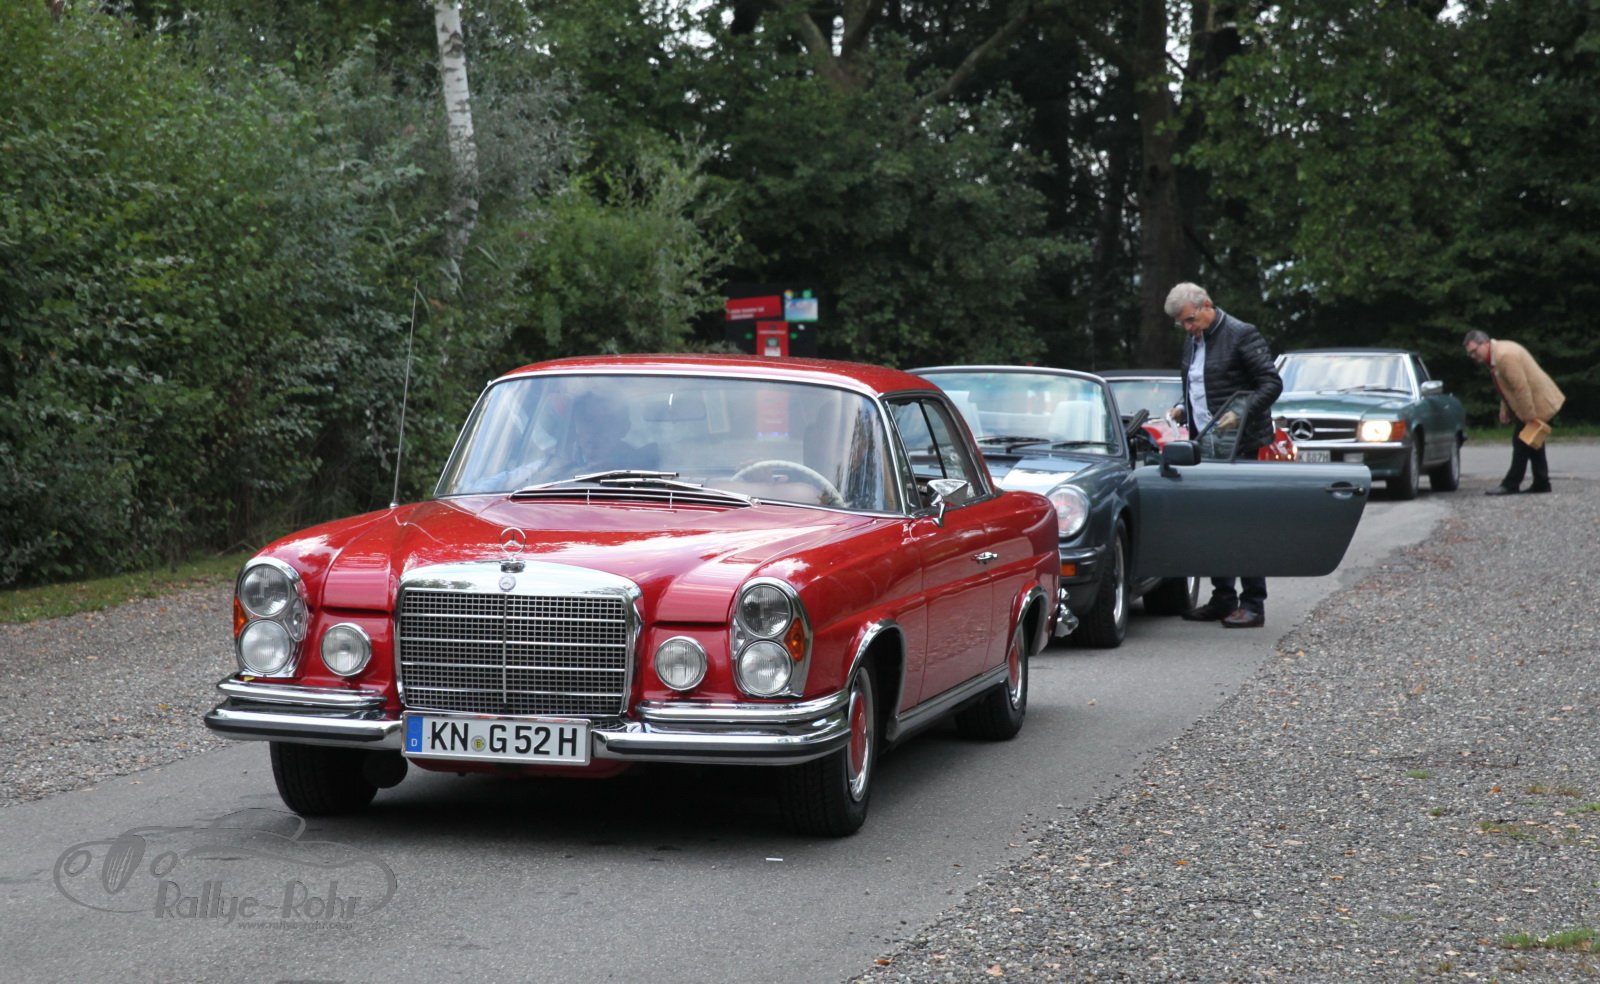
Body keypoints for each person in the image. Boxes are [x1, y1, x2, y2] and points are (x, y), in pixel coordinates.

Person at [1165, 282, 1284, 630]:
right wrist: (1182, 409)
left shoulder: (1241, 334)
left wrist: (1240, 412)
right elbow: (1198, 387)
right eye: (1181, 323)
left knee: (1244, 523)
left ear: (1207, 305)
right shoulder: (1193, 340)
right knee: (1214, 523)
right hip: (1206, 446)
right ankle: (1223, 598)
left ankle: (1253, 604)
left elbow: (1271, 384)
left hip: (1240, 445)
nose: (1187, 328)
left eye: (1190, 320)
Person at [1464, 330, 1564, 495]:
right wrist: (1505, 408)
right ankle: (1541, 482)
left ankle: (1511, 484)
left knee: (1521, 442)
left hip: (1535, 403)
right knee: (1533, 441)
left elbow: (1521, 388)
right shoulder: (1496, 355)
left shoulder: (1504, 356)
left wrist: (1529, 418)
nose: (1473, 356)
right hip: (1530, 402)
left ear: (1485, 343)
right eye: (1470, 354)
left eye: (1475, 351)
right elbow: (1507, 386)